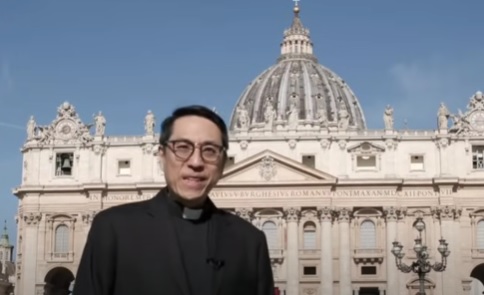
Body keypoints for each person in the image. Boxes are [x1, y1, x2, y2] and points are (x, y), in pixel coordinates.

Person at [73, 105, 274, 295]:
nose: (196, 162)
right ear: (161, 156)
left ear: (222, 163)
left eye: (210, 151)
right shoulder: (112, 229)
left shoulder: (251, 242)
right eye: (183, 148)